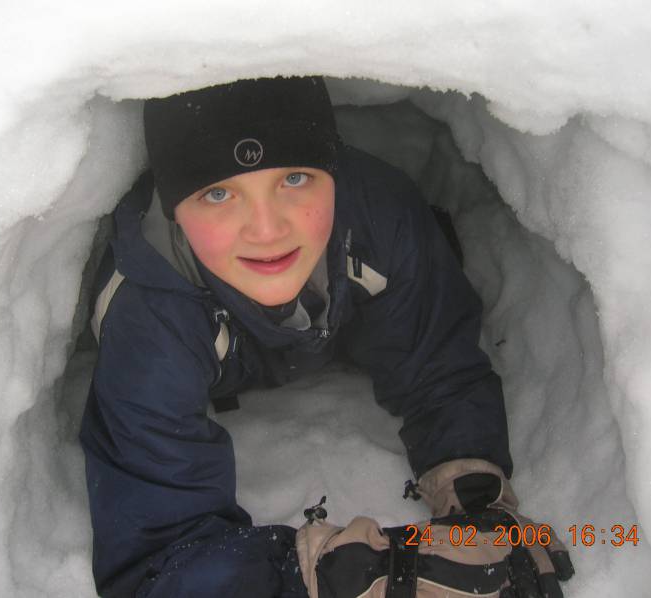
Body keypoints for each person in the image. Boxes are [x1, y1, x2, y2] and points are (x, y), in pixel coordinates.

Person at [79, 76, 572, 598]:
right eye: (218, 192)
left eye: (294, 178)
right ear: (173, 206)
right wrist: (333, 575)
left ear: (334, 173)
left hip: (343, 307)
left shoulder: (379, 216)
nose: (266, 230)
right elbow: (157, 554)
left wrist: (476, 499)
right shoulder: (149, 315)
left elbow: (435, 359)